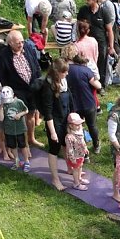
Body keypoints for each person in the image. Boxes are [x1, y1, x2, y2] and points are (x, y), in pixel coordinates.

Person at [0, 30, 42, 149]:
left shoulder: (28, 48)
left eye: (22, 41)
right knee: (19, 116)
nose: (21, 44)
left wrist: (38, 82)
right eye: (18, 43)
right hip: (17, 90)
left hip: (32, 87)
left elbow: (36, 66)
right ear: (10, 43)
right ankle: (22, 142)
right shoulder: (4, 56)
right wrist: (11, 94)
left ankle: (31, 138)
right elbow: (3, 77)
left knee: (31, 113)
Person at [39, 57, 73, 190]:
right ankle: (55, 179)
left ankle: (70, 168)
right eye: (64, 72)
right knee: (54, 149)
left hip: (65, 119)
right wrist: (52, 132)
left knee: (66, 144)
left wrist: (72, 117)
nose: (67, 74)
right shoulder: (48, 87)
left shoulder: (63, 81)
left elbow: (69, 100)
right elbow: (48, 113)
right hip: (55, 122)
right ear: (57, 72)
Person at [67, 50, 102, 156]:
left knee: (78, 128)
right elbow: (98, 86)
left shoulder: (67, 70)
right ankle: (96, 145)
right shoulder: (86, 70)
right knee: (92, 126)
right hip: (89, 103)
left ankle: (82, 151)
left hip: (75, 104)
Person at [77, 0, 114, 88]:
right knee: (85, 62)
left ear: (94, 0)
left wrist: (111, 46)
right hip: (86, 41)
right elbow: (78, 26)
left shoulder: (104, 12)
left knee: (101, 63)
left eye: (88, 0)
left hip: (101, 42)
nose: (86, 2)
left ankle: (100, 85)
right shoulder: (83, 10)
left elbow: (109, 30)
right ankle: (87, 83)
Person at [0, 86, 31, 172]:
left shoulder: (18, 102)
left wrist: (20, 114)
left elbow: (26, 110)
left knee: (22, 146)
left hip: (20, 129)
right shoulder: (4, 105)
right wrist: (1, 107)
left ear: (13, 95)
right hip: (9, 131)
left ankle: (26, 161)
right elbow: (1, 119)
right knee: (13, 146)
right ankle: (17, 161)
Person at [64, 112, 89, 191]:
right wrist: (72, 158)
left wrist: (85, 148)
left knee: (80, 166)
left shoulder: (80, 132)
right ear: (71, 125)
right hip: (74, 156)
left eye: (80, 124)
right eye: (77, 125)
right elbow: (69, 148)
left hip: (80, 154)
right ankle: (76, 183)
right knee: (75, 169)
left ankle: (79, 178)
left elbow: (83, 141)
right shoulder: (69, 137)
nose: (79, 126)